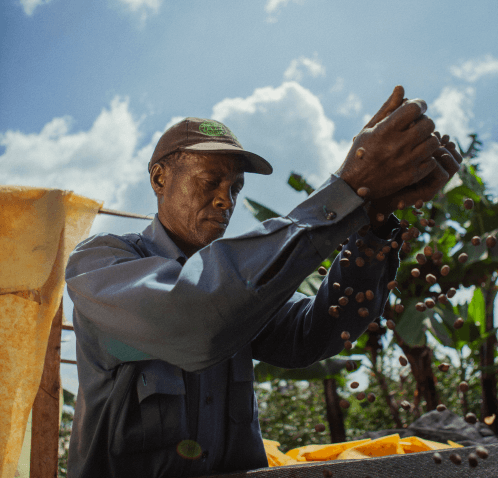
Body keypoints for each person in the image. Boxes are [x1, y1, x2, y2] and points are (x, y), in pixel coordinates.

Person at [65, 86, 462, 477]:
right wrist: (344, 191)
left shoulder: (243, 292)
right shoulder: (100, 264)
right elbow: (198, 317)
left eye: (235, 188)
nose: (226, 199)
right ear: (159, 179)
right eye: (210, 181)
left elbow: (311, 333)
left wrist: (374, 225)